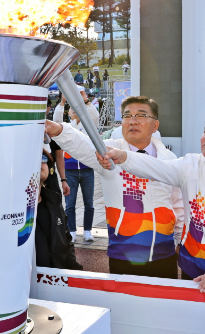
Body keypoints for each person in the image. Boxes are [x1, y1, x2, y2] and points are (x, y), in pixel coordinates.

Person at [96, 112, 205, 292]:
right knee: (190, 316)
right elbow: (156, 167)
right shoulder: (190, 165)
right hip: (192, 264)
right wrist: (123, 157)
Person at [47, 96, 184, 278]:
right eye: (127, 116)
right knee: (124, 304)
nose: (133, 121)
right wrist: (59, 131)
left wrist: (180, 241)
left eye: (141, 116)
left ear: (155, 125)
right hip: (123, 252)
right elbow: (83, 145)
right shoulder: (108, 152)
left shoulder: (169, 159)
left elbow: (179, 205)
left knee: (163, 304)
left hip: (162, 252)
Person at [53, 95, 99, 242]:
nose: (75, 110)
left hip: (87, 170)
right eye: (72, 108)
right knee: (70, 203)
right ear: (69, 111)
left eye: (78, 108)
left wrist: (85, 100)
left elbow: (96, 116)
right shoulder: (67, 127)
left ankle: (87, 231)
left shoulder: (88, 127)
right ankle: (71, 230)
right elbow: (56, 120)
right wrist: (62, 102)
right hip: (70, 170)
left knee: (89, 203)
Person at [35, 150, 83, 270]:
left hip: (57, 279)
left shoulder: (54, 202)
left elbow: (66, 241)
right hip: (29, 281)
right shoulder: (11, 209)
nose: (39, 162)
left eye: (43, 159)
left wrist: (74, 271)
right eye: (32, 159)